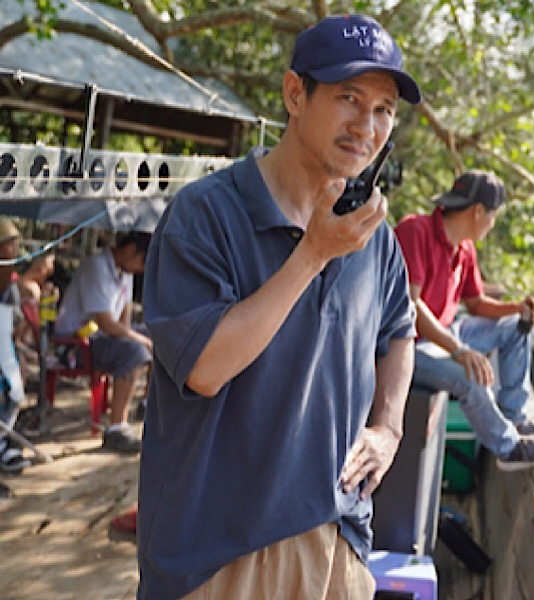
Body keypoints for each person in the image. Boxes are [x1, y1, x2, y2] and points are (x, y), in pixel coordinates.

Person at [138, 14, 421, 600]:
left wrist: (389, 428)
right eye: (348, 98)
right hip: (216, 554)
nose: (366, 126)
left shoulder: (375, 236)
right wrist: (312, 255)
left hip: (336, 538)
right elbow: (206, 367)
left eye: (384, 109)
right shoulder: (204, 217)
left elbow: (400, 330)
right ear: (296, 94)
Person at [394, 170, 534, 472]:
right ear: (478, 211)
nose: (492, 223)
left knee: (516, 329)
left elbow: (475, 304)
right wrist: (459, 350)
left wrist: (518, 309)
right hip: (408, 347)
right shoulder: (415, 230)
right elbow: (410, 306)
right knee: (470, 376)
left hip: (448, 334)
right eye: (493, 215)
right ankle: (509, 450)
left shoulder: (465, 248)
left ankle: (515, 421)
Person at [53, 232, 152, 454]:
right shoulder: (96, 267)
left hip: (101, 336)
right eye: (143, 261)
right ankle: (117, 428)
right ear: (130, 249)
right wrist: (141, 341)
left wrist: (144, 339)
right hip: (75, 343)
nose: (142, 268)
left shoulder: (125, 271)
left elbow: (123, 322)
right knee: (135, 351)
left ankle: (147, 405)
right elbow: (106, 323)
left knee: (159, 337)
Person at [0, 218, 31, 474]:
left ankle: (2, 438)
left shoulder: (10, 288)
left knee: (15, 381)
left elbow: (8, 331)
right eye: (12, 245)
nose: (16, 250)